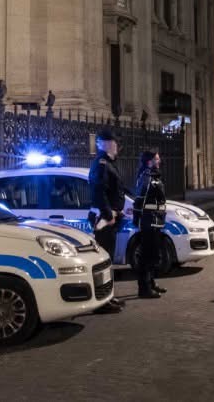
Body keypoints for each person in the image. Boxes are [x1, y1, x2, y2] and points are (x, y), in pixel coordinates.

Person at [86, 130, 126, 313]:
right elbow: (98, 191)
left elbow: (114, 191)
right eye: (115, 143)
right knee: (103, 262)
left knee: (108, 261)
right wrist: (109, 215)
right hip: (104, 220)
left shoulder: (108, 164)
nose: (117, 147)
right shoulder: (102, 164)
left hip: (110, 218)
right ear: (107, 144)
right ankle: (102, 302)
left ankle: (108, 296)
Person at [132, 150, 168, 299]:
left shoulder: (153, 176)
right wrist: (138, 219)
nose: (159, 161)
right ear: (149, 161)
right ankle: (144, 288)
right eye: (157, 159)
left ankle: (151, 283)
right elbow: (139, 200)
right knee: (147, 256)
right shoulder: (147, 178)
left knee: (153, 255)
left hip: (155, 220)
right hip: (149, 221)